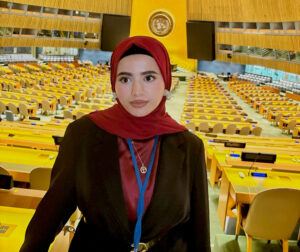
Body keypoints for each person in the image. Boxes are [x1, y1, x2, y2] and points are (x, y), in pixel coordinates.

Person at [20, 36, 210, 252]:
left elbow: (199, 230)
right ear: (114, 83)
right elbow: (51, 214)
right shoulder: (83, 134)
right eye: (125, 79)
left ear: (166, 81)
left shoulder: (190, 146)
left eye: (148, 78)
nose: (137, 91)